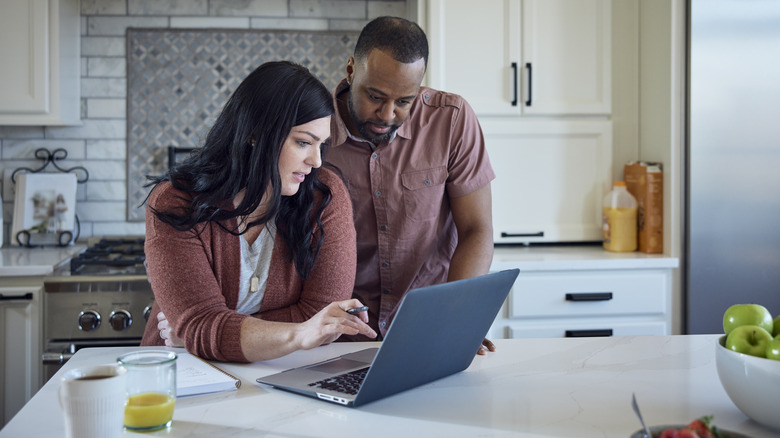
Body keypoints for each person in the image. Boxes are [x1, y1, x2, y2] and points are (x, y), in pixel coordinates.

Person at [141, 61, 376, 363]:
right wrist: (204, 329)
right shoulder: (175, 203)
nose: (317, 161)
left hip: (283, 373)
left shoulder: (325, 196)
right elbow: (202, 325)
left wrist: (211, 330)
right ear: (255, 132)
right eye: (304, 142)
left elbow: (322, 317)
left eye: (322, 144)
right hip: (182, 375)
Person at [326, 17, 496, 353]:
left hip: (428, 330)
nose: (387, 114)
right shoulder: (313, 130)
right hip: (338, 336)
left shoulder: (452, 119)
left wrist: (457, 318)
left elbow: (477, 229)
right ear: (350, 70)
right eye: (375, 96)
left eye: (404, 101)